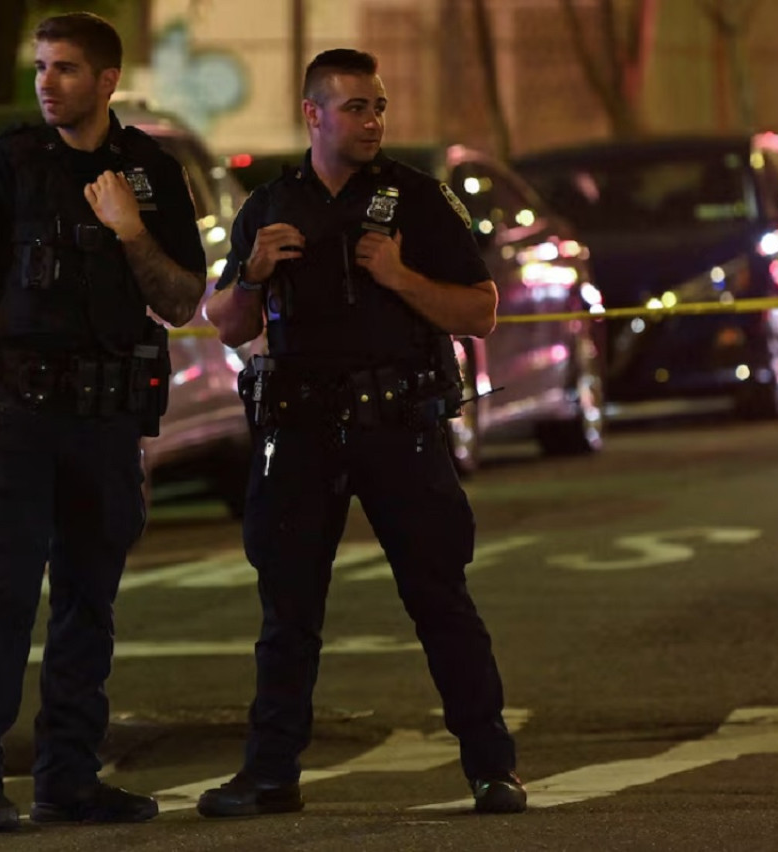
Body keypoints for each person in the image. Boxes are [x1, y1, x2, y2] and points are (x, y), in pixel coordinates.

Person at [198, 48, 526, 818]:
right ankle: (270, 773)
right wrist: (250, 273)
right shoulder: (272, 203)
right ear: (313, 114)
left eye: (378, 106)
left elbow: (480, 312)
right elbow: (225, 325)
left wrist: (402, 278)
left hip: (397, 425)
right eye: (355, 107)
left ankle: (492, 767)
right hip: (301, 427)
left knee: (440, 599)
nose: (373, 120)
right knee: (288, 611)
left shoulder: (417, 200)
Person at [0, 12, 206, 833]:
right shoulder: (9, 163)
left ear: (107, 81)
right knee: (1, 598)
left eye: (66, 68)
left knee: (87, 603)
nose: (47, 81)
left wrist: (131, 231)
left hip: (105, 419)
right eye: (41, 66)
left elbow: (181, 303)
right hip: (21, 414)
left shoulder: (148, 171)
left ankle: (68, 778)